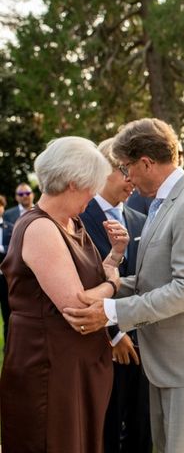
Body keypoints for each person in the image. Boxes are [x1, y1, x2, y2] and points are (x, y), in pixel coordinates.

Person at [62, 118, 184, 453]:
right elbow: (152, 279)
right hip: (168, 357)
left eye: (126, 168)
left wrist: (111, 311)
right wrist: (107, 288)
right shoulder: (164, 201)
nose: (126, 177)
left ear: (146, 162)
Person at [0, 136, 128, 452]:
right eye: (90, 188)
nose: (94, 196)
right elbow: (77, 306)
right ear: (72, 183)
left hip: (76, 368)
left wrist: (114, 256)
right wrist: (113, 285)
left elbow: (89, 278)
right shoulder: (40, 228)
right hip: (50, 370)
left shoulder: (73, 222)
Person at [79, 138, 151, 453]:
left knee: (141, 425)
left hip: (143, 340)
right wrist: (114, 333)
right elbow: (82, 281)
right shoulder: (80, 216)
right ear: (104, 169)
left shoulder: (140, 219)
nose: (131, 179)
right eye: (124, 170)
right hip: (101, 342)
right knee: (106, 428)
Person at [0, 194, 13, 344]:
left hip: (5, 278)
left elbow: (14, 249)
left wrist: (2, 248)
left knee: (8, 314)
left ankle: (8, 347)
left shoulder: (10, 228)